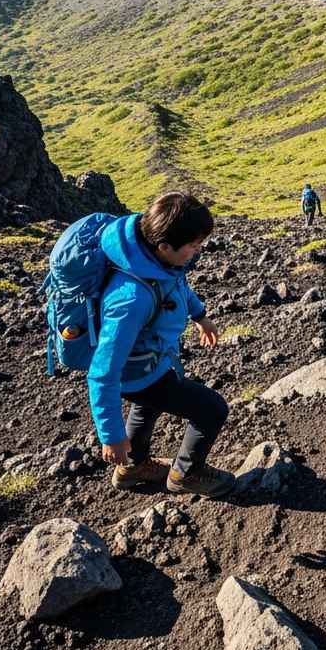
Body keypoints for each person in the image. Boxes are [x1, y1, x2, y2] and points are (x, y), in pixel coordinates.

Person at [88, 191, 234, 498]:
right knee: (211, 409)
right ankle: (186, 474)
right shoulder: (130, 300)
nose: (198, 251)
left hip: (151, 363)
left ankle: (132, 468)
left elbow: (176, 285)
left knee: (147, 407)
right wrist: (111, 436)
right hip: (138, 373)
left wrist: (200, 315)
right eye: (194, 245)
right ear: (165, 246)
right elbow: (103, 373)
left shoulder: (151, 259)